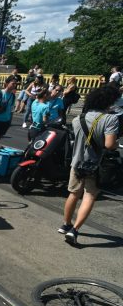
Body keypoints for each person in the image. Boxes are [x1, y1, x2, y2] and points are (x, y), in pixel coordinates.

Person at [58, 86, 120, 245]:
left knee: (73, 194)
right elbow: (109, 144)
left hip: (77, 162)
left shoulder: (78, 118)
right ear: (108, 102)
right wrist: (116, 143)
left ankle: (66, 225)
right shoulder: (110, 119)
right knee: (90, 195)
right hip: (95, 164)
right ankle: (75, 230)